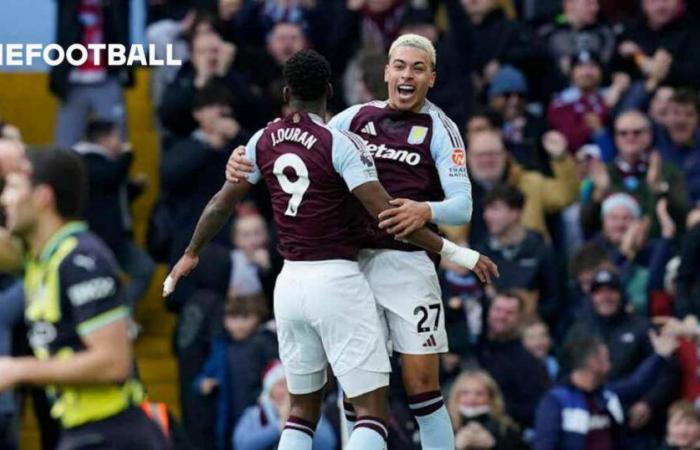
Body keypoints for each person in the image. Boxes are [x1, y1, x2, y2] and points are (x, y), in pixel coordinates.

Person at [166, 49, 498, 450]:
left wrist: (426, 208)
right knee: (363, 405)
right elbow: (377, 207)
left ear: (432, 77)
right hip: (350, 271)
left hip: (388, 270)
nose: (407, 75)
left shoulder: (439, 128)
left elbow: (462, 206)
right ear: (383, 74)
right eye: (399, 65)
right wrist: (460, 254)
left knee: (418, 392)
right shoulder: (349, 125)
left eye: (418, 68)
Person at [0, 149, 165, 450]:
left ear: (42, 197)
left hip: (114, 434)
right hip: (81, 432)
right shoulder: (40, 259)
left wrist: (16, 370)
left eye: (12, 188)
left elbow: (113, 363)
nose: (4, 199)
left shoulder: (82, 260)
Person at [566, 269, 681, 444]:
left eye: (611, 291)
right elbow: (566, 371)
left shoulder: (642, 327)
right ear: (591, 297)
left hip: (638, 424)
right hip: (593, 419)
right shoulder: (579, 330)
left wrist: (648, 402)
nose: (606, 297)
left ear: (621, 294)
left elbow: (668, 371)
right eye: (599, 292)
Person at [534, 331, 679, 450]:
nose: (610, 362)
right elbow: (545, 445)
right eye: (606, 357)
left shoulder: (606, 396)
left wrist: (659, 356)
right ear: (593, 363)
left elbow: (636, 384)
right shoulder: (556, 401)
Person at [73, 119, 155, 311]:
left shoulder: (105, 164)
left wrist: (134, 189)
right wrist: (128, 154)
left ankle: (118, 311)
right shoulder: (84, 160)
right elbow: (109, 176)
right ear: (105, 139)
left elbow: (111, 196)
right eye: (117, 137)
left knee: (144, 268)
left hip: (114, 237)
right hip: (97, 238)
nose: (120, 142)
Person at [463, 129, 579, 243]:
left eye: (493, 154)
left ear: (506, 156)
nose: (486, 160)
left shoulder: (531, 183)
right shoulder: (454, 190)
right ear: (467, 158)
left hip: (529, 257)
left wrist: (561, 159)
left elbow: (567, 195)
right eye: (479, 155)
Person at [475, 184, 560, 326]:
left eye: (495, 209)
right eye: (486, 209)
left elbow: (554, 298)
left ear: (515, 213)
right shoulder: (480, 253)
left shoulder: (540, 250)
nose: (487, 215)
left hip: (532, 331)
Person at [194, 294, 272, 450]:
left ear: (258, 317)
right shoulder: (221, 348)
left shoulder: (265, 344)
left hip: (259, 415)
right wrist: (203, 384)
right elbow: (202, 377)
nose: (239, 324)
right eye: (233, 318)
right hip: (229, 415)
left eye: (245, 317)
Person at [477, 292, 550, 429]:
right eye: (498, 310)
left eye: (509, 312)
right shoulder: (473, 347)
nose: (502, 316)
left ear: (519, 318)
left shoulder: (528, 363)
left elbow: (535, 408)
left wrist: (494, 407)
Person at [233, 361, 337, 450]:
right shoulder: (255, 414)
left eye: (290, 384)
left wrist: (300, 422)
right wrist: (279, 426)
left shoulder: (311, 411)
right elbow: (242, 445)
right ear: (270, 390)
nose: (287, 390)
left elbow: (328, 444)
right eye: (281, 384)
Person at [447, 370, 527, 450]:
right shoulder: (444, 427)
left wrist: (495, 445)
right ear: (456, 397)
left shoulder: (505, 428)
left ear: (491, 398)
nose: (471, 399)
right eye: (465, 393)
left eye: (479, 393)